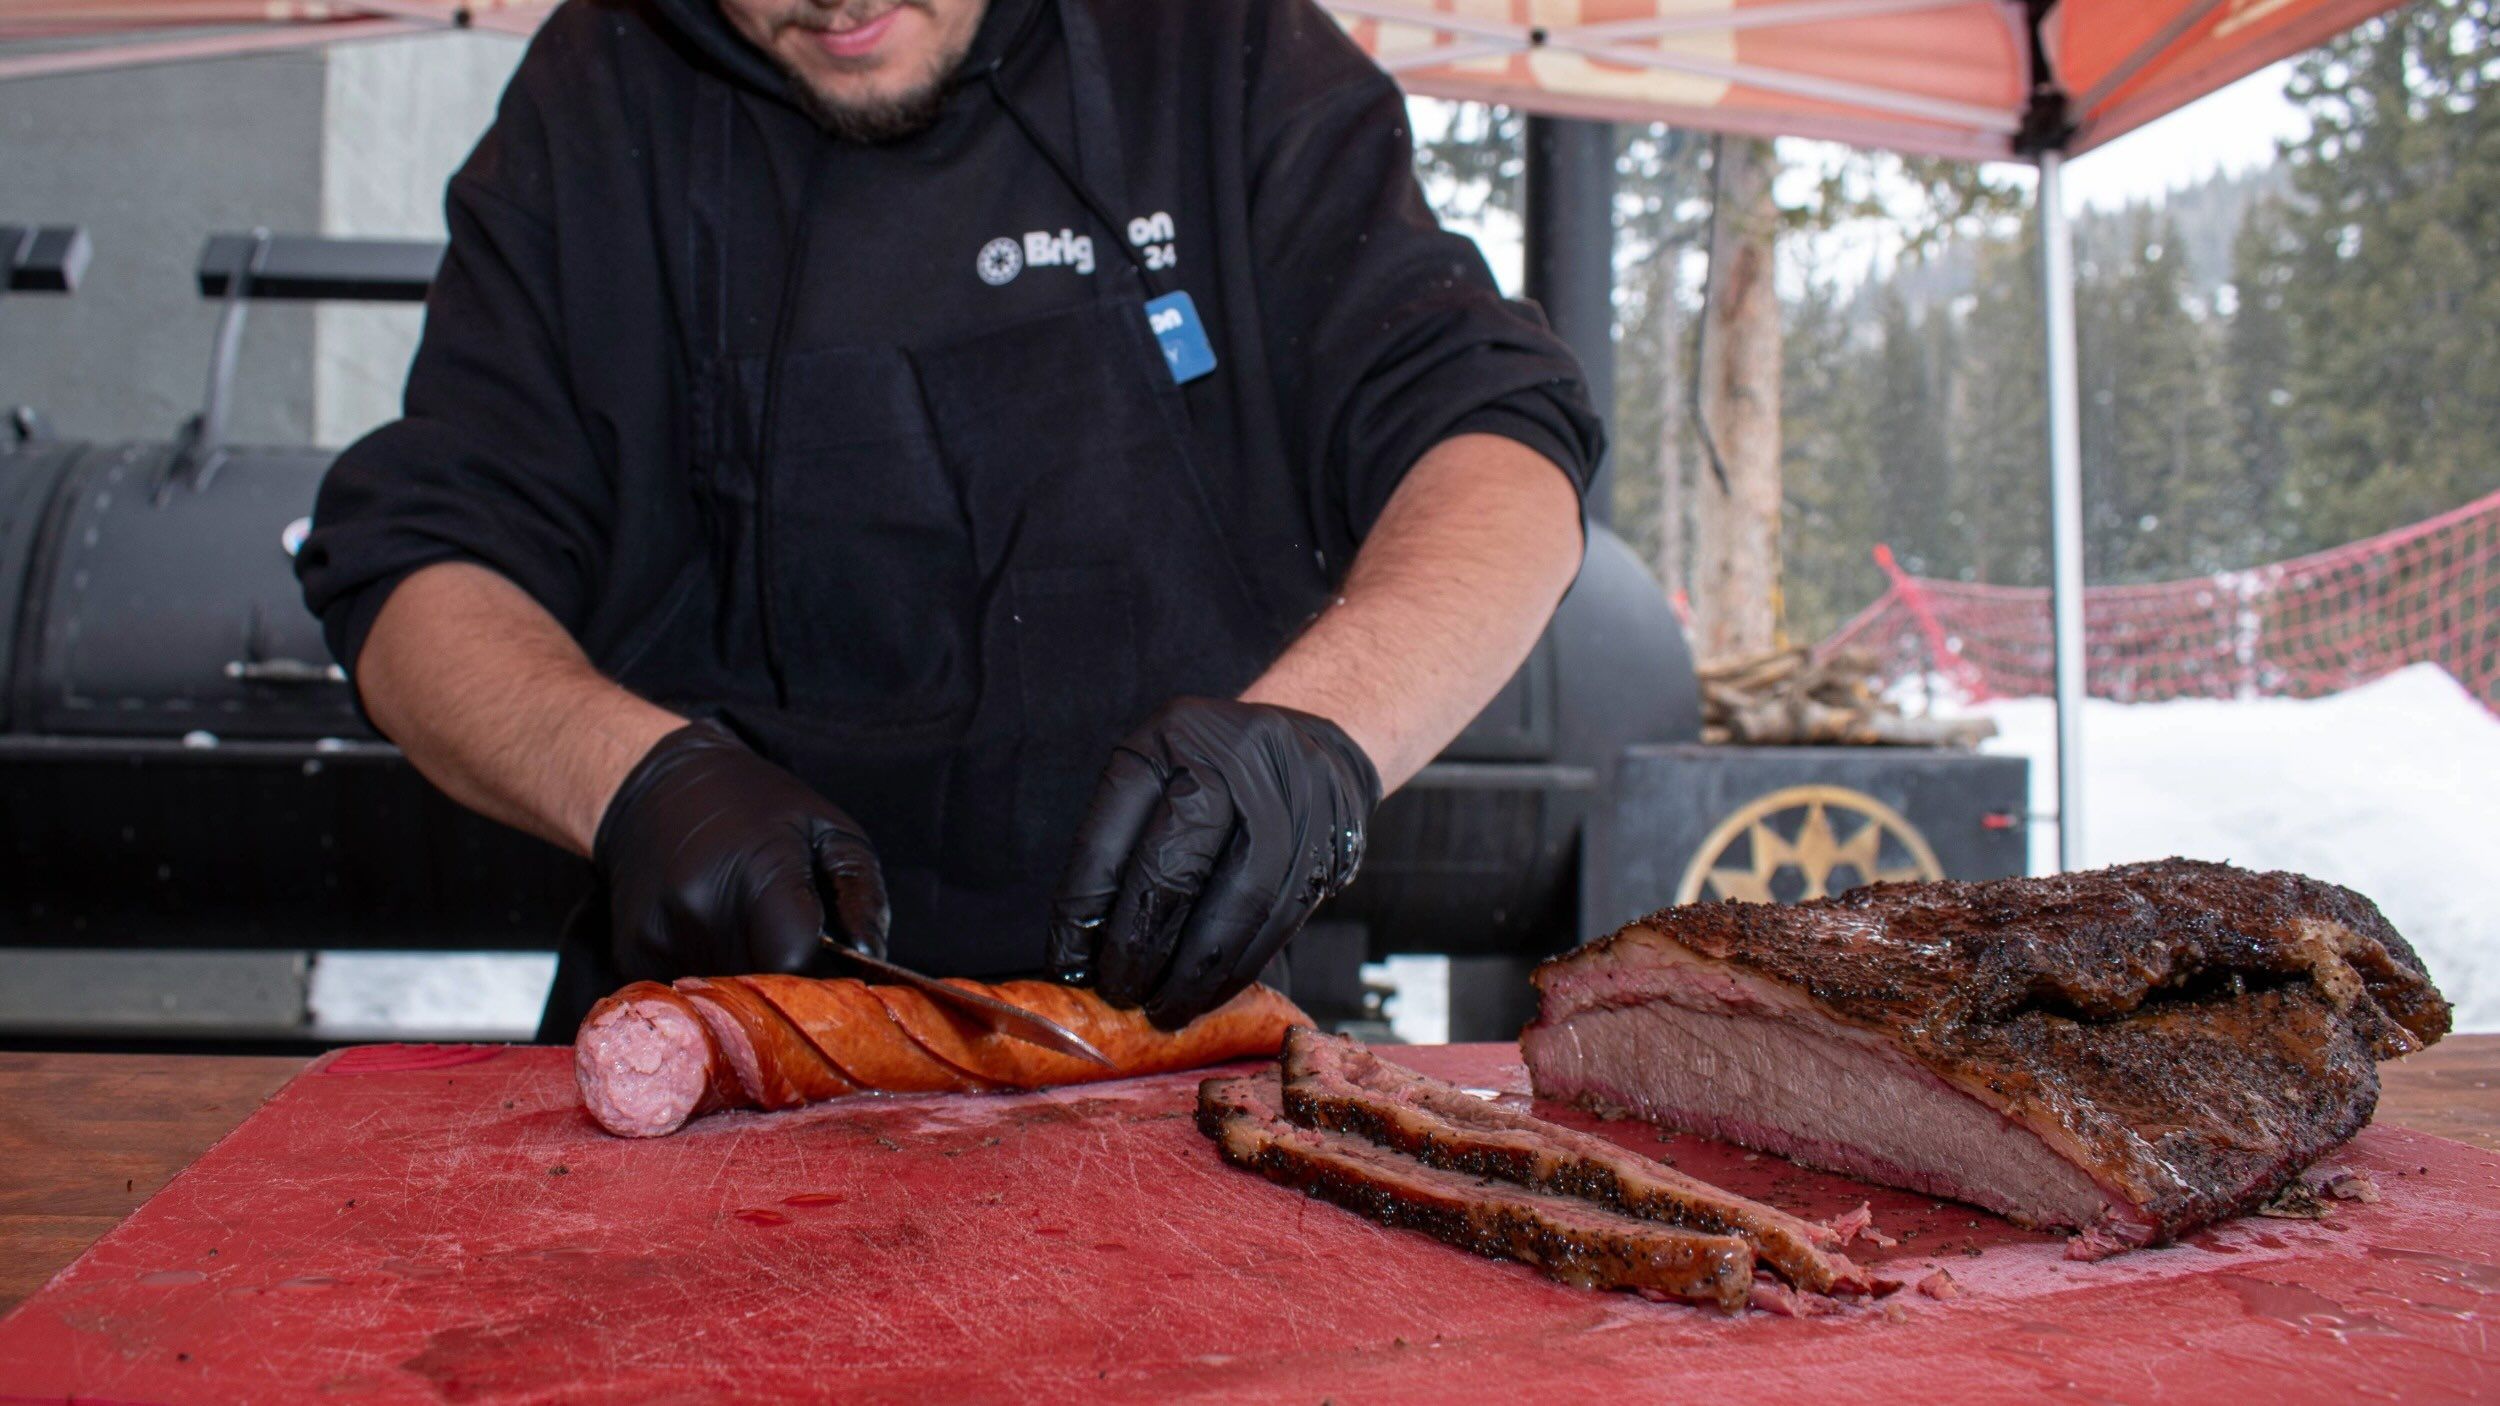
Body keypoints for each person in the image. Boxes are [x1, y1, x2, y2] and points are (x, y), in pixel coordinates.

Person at [296, 0, 1601, 1038]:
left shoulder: (1212, 42)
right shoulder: (598, 92)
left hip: (1179, 1041)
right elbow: (419, 571)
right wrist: (633, 781)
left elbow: (1494, 440)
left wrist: (1322, 738)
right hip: (716, 1045)